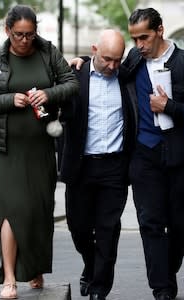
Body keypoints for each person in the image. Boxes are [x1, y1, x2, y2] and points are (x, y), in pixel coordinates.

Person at [71, 8, 184, 300]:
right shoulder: (132, 60)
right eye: (135, 38)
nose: (139, 44)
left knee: (181, 223)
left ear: (160, 31)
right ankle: (162, 288)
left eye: (144, 37)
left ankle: (168, 271)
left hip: (180, 155)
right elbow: (105, 65)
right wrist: (81, 61)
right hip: (144, 155)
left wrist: (169, 107)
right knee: (150, 222)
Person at [0, 5, 78, 299]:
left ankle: (34, 267)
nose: (25, 40)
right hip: (4, 148)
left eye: (30, 34)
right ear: (7, 31)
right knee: (12, 209)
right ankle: (9, 276)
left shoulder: (47, 52)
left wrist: (48, 93)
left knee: (39, 210)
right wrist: (9, 99)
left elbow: (71, 84)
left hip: (41, 145)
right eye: (19, 34)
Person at [60, 29, 134, 300]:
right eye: (107, 59)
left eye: (118, 59)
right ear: (93, 50)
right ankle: (90, 265)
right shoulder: (74, 74)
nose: (113, 66)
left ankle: (99, 289)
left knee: (107, 230)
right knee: (78, 227)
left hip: (115, 167)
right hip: (81, 166)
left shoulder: (127, 77)